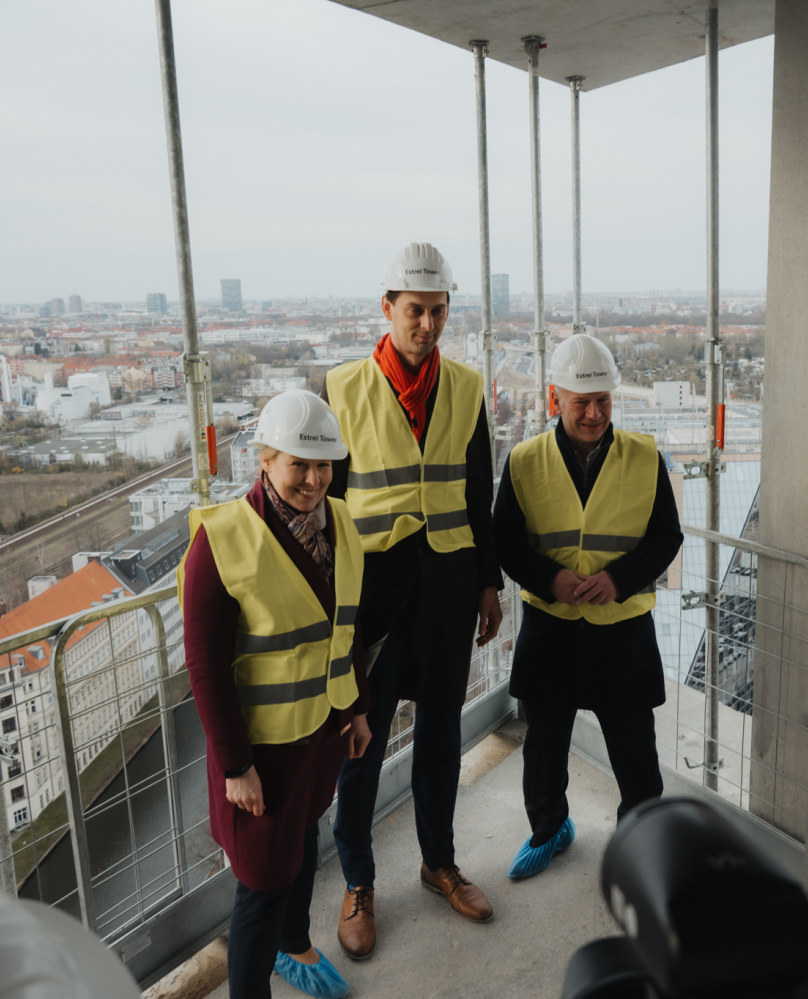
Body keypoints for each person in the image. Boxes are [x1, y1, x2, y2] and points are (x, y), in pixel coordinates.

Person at [323, 242, 504, 960]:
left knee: (438, 736)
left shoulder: (465, 387)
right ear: (388, 307)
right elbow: (327, 506)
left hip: (449, 590)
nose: (427, 325)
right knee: (360, 745)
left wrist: (488, 582)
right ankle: (358, 881)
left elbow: (479, 491)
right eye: (415, 311)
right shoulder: (342, 389)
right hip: (373, 597)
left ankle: (439, 863)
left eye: (438, 311)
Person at [178, 390, 373, 999]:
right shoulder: (222, 539)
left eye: (323, 466)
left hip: (321, 732)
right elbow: (204, 665)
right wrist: (235, 766)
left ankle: (295, 944)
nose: (313, 480)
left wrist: (357, 709)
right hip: (261, 752)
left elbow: (345, 629)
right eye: (298, 465)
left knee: (304, 841)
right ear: (265, 460)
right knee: (262, 885)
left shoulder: (340, 523)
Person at [492, 333, 683, 879]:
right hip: (551, 626)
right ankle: (549, 830)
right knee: (544, 746)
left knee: (635, 750)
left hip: (622, 630)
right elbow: (505, 542)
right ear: (555, 399)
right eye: (582, 402)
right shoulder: (524, 461)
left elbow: (666, 537)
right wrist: (549, 577)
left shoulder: (644, 457)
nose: (594, 413)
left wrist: (619, 579)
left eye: (603, 400)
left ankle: (640, 843)